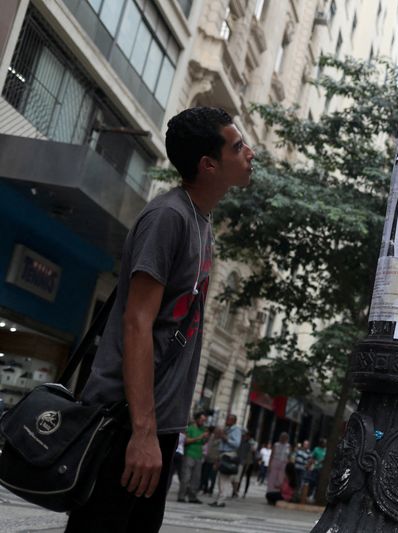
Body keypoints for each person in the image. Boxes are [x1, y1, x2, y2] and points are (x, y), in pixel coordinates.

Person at [65, 107, 254, 532]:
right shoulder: (168, 217)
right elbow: (137, 322)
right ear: (208, 165)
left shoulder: (200, 221)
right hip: (124, 422)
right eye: (238, 146)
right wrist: (143, 432)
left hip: (157, 424)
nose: (250, 153)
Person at [210, 414, 242, 507]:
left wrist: (225, 438)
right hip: (223, 454)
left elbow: (236, 444)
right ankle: (220, 499)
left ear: (233, 421)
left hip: (229, 455)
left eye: (228, 419)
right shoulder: (227, 429)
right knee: (221, 478)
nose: (226, 421)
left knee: (224, 478)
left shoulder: (236, 430)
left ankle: (221, 500)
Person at [178, 412, 209, 503]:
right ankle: (181, 496)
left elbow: (203, 442)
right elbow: (186, 441)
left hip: (198, 456)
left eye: (204, 420)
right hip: (189, 454)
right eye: (202, 420)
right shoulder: (190, 428)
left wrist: (205, 438)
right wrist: (200, 437)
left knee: (196, 478)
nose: (203, 422)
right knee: (186, 477)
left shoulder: (203, 429)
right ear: (197, 419)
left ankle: (192, 497)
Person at [233, 430, 257, 497]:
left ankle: (245, 492)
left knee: (247, 477)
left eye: (247, 436)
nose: (246, 437)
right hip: (243, 461)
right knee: (239, 476)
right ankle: (236, 490)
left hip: (250, 462)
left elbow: (254, 451)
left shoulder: (253, 443)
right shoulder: (243, 442)